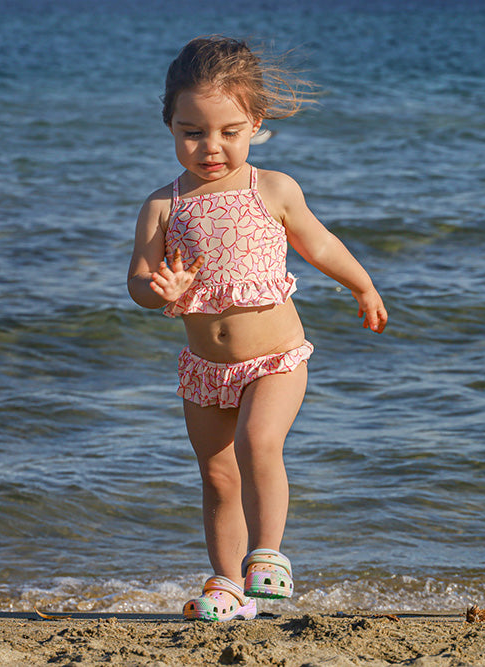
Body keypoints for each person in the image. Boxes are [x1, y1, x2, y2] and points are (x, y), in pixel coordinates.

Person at [127, 36, 387, 622]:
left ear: (256, 124)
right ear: (169, 125)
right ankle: (227, 582)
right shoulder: (162, 206)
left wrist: (363, 285)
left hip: (276, 359)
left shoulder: (271, 189)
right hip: (205, 370)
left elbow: (319, 244)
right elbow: (138, 279)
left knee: (256, 443)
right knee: (217, 476)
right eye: (192, 132)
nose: (210, 147)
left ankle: (267, 555)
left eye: (229, 132)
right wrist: (157, 290)